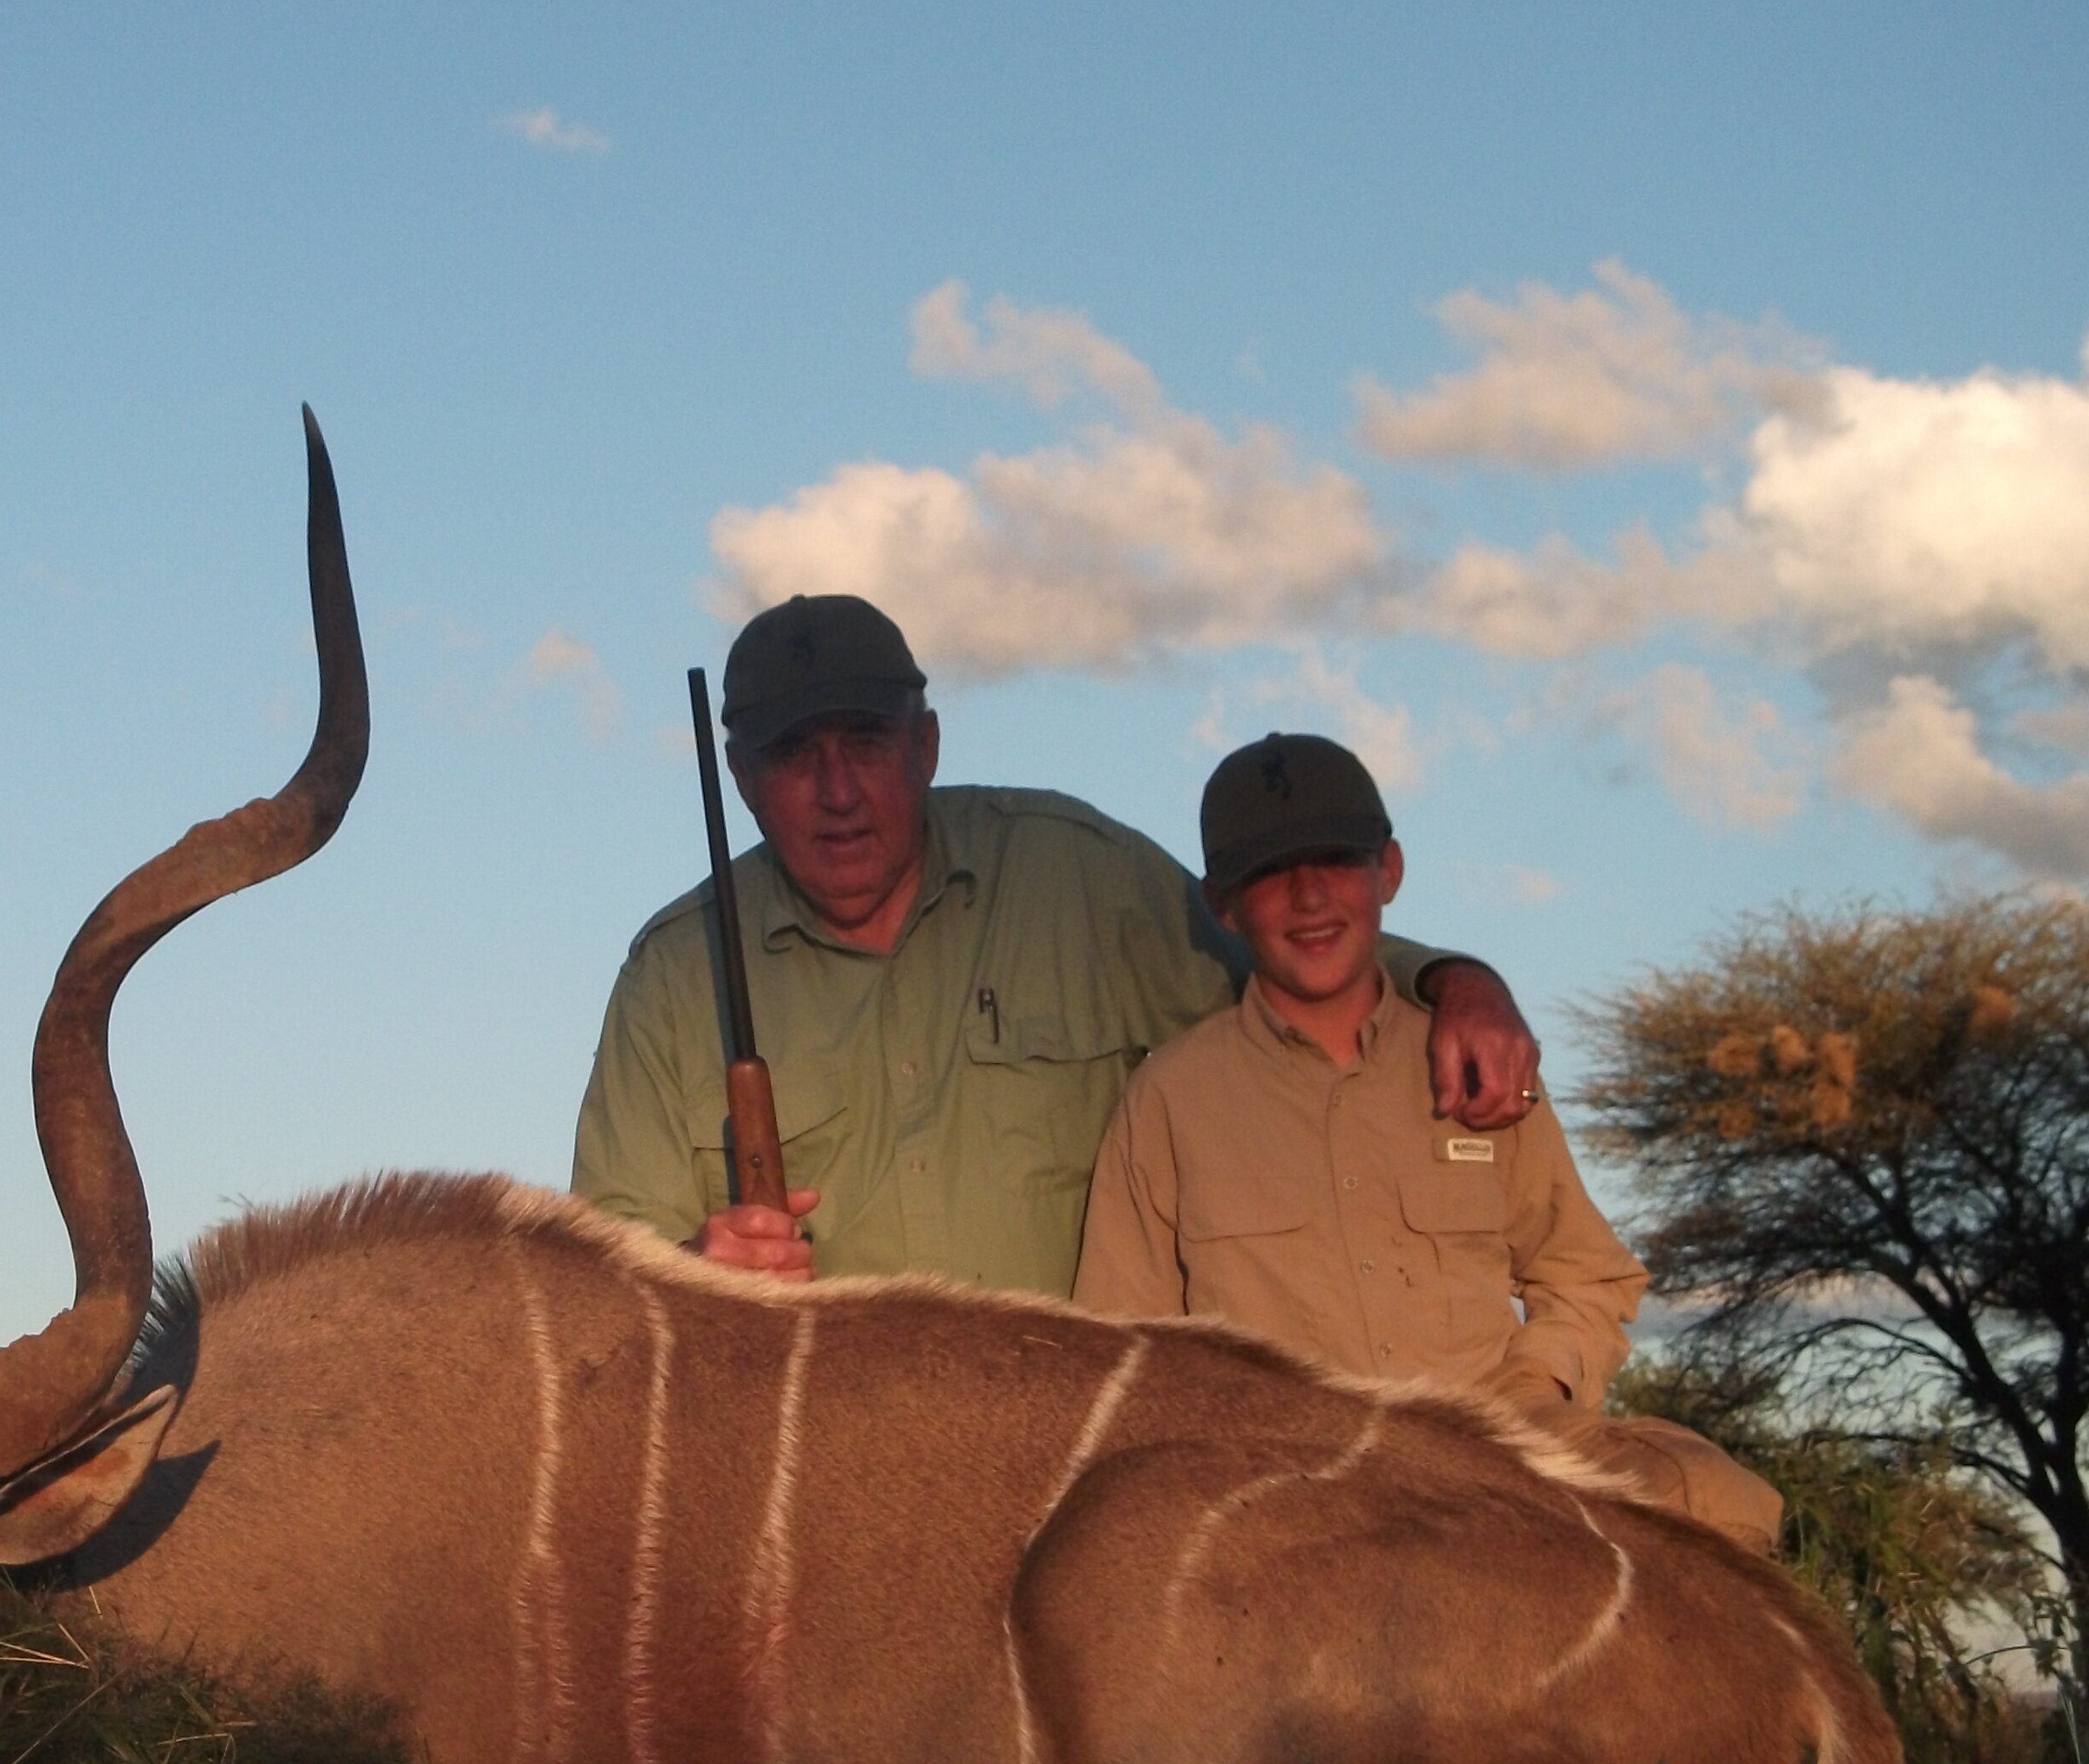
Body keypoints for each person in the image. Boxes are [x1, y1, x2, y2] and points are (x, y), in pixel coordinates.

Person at [569, 596, 1541, 1292]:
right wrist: (694, 1275)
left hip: (1088, 1455)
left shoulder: (1077, 873)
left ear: (927, 745)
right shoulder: (673, 977)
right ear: (740, 776)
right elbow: (601, 1290)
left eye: (864, 743)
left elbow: (1303, 966)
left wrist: (1455, 981)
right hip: (821, 1469)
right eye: (793, 756)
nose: (836, 790)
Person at [1070, 731, 1782, 1553]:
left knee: (1721, 1504)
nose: (1308, 897)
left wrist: (1529, 1394)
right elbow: (1128, 1349)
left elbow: (1585, 1274)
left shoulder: (1479, 1059)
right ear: (1222, 904)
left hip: (1495, 1451)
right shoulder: (1170, 1098)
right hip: (1288, 1485)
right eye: (1269, 873)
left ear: (1390, 870)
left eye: (1335, 859)